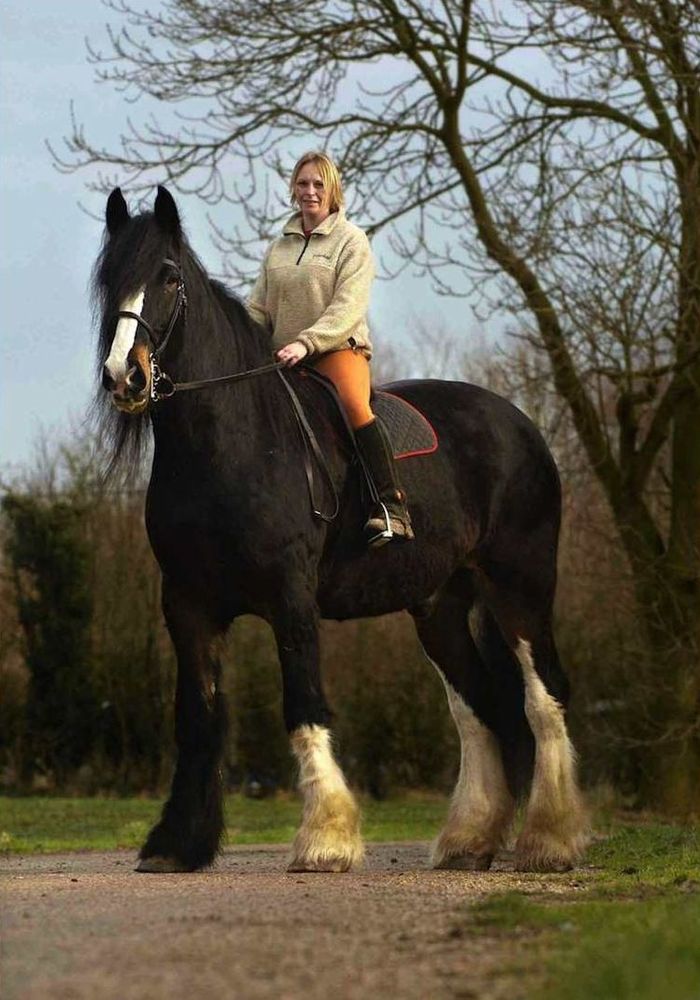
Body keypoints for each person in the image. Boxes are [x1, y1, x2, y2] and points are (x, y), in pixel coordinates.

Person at [247, 151, 413, 547]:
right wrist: (241, 341)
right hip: (285, 359)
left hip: (338, 351)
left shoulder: (351, 242)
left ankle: (392, 506)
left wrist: (307, 343)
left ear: (332, 190)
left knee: (355, 406)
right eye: (303, 184)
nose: (310, 192)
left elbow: (347, 307)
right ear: (293, 189)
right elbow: (258, 308)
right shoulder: (278, 249)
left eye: (318, 184)